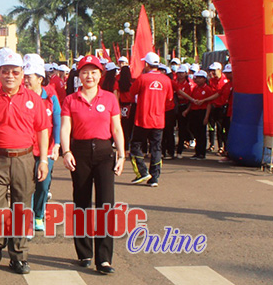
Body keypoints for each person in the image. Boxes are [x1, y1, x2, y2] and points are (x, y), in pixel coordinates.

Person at [0, 52, 49, 275]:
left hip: (24, 160)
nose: (10, 75)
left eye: (15, 72)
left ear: (22, 74)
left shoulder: (34, 99)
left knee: (21, 209)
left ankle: (19, 256)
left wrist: (43, 160)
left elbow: (42, 130)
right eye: (5, 71)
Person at [60, 55, 124, 275]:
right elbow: (66, 128)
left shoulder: (109, 99)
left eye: (94, 72)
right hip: (81, 153)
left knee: (106, 204)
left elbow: (116, 129)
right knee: (82, 202)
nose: (89, 76)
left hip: (105, 153)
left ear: (100, 75)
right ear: (79, 76)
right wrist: (66, 151)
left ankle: (104, 259)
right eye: (85, 72)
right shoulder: (71, 100)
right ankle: (84, 253)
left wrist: (122, 155)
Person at [22, 55, 60, 233]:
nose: (26, 80)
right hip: (26, 148)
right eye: (25, 76)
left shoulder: (50, 96)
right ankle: (28, 218)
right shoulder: (21, 95)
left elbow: (57, 120)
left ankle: (38, 214)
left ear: (40, 78)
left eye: (29, 77)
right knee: (26, 184)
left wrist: (58, 144)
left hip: (47, 148)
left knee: (43, 183)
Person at [128, 52, 173, 186]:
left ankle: (142, 172)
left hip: (143, 119)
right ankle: (155, 178)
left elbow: (132, 92)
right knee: (156, 148)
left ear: (147, 64)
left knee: (135, 145)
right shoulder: (166, 80)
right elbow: (170, 98)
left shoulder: (142, 79)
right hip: (158, 120)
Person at [182, 71, 214, 160]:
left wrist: (206, 117)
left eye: (200, 78)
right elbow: (192, 102)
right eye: (197, 78)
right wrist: (187, 110)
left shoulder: (207, 89)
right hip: (194, 111)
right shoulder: (195, 88)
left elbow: (209, 104)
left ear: (204, 79)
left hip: (202, 111)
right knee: (194, 131)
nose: (198, 80)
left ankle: (201, 153)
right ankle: (197, 152)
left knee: (201, 133)